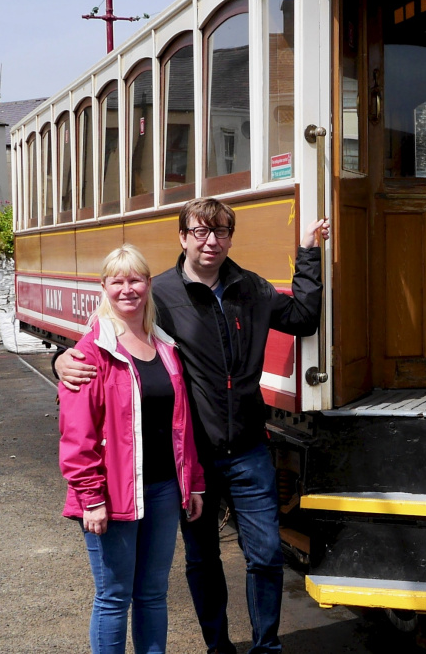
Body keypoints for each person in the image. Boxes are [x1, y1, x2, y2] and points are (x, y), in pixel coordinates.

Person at [58, 198, 328, 654]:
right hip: (194, 458)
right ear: (182, 238)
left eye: (221, 232)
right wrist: (62, 358)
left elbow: (303, 318)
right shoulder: (159, 293)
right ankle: (218, 647)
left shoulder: (251, 288)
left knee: (263, 556)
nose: (211, 241)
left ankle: (266, 647)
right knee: (202, 560)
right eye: (200, 232)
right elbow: (111, 337)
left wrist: (307, 252)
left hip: (247, 448)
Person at [59, 244, 206, 654]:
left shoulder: (165, 347)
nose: (128, 289)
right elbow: (77, 435)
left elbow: (182, 425)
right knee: (113, 597)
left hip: (161, 490)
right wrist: (91, 498)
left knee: (153, 595)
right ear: (104, 287)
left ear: (148, 284)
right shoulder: (91, 351)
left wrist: (192, 483)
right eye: (118, 281)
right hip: (113, 493)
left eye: (135, 279)